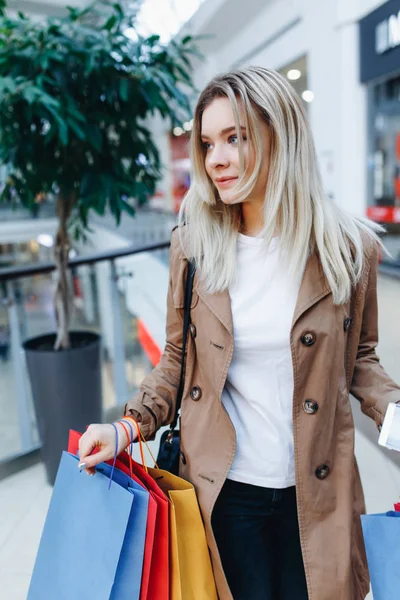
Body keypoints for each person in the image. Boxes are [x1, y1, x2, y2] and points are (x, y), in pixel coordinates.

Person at [78, 66, 400, 600]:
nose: (215, 159)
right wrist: (127, 427)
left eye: (236, 137)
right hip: (225, 494)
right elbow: (179, 359)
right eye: (208, 143)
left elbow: (360, 359)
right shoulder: (195, 247)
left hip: (316, 494)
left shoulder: (349, 250)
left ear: (281, 135)